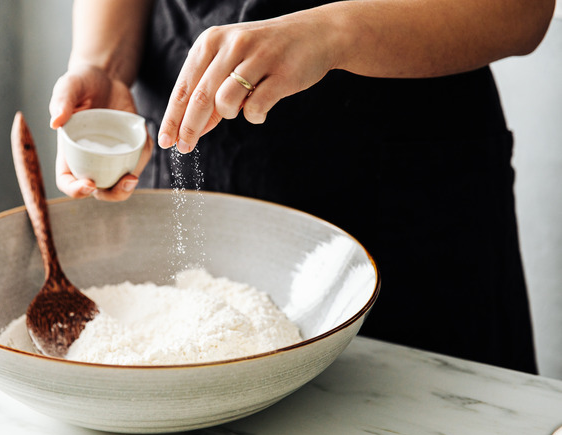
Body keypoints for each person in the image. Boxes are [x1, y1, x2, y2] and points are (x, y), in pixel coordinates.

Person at [48, 0, 555, 374]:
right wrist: (102, 65)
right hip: (190, 140)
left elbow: (523, 12)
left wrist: (333, 31)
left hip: (411, 195)